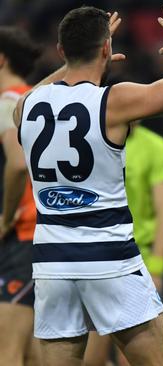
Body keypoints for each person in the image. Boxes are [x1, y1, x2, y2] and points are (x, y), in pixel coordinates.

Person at [12, 3, 163, 366]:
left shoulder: (28, 105)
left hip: (51, 265)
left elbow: (31, 97)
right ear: (107, 49)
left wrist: (75, 62)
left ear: (61, 51)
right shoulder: (113, 101)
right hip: (109, 260)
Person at [84, 122, 163, 365]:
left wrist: (156, 265)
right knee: (91, 357)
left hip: (138, 259)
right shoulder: (91, 140)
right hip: (98, 258)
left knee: (133, 357)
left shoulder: (154, 146)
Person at [0, 26, 42, 366]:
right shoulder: (34, 99)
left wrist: (5, 216)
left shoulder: (5, 104)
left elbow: (16, 165)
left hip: (21, 236)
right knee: (34, 353)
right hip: (44, 233)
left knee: (7, 353)